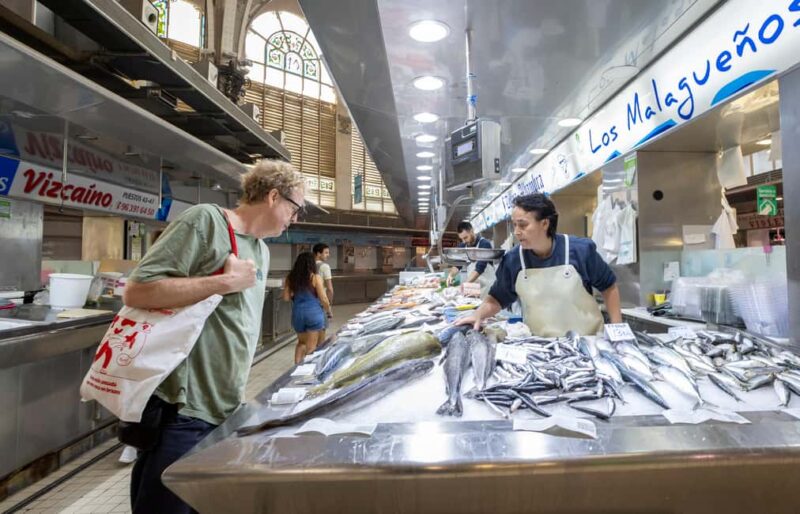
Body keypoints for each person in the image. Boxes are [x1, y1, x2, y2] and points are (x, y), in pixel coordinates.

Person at [123, 159, 305, 514]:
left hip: (223, 407)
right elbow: (138, 290)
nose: (295, 218)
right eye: (295, 208)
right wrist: (225, 282)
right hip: (183, 408)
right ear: (273, 196)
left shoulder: (260, 250)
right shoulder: (206, 221)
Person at [456, 193, 622, 337]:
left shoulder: (580, 250)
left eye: (523, 225)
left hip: (589, 342)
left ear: (545, 223)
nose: (517, 232)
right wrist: (478, 314)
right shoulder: (514, 259)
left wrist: (617, 330)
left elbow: (609, 287)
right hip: (542, 347)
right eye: (514, 225)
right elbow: (497, 299)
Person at [284, 251, 332, 363]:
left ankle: (296, 371)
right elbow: (323, 299)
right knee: (311, 348)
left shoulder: (290, 278)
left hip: (298, 314)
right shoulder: (315, 278)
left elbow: (286, 297)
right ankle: (306, 376)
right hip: (314, 314)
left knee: (301, 344)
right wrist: (328, 309)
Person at [446, 221, 497, 298]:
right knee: (473, 307)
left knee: (485, 306)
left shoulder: (484, 244)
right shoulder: (463, 246)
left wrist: (464, 285)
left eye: (465, 237)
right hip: (474, 285)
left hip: (487, 287)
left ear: (472, 231)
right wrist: (451, 275)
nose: (464, 241)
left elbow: (479, 269)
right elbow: (457, 265)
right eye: (461, 239)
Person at [313, 242, 334, 313]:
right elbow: (330, 289)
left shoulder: (307, 265)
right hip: (320, 301)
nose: (328, 255)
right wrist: (329, 306)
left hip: (308, 301)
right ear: (318, 253)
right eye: (326, 253)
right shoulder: (325, 266)